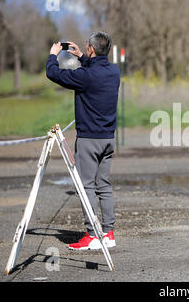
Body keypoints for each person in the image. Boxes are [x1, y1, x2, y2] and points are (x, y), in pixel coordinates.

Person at [46, 32, 120, 250]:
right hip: (108, 139)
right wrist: (82, 57)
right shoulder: (114, 72)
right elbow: (96, 69)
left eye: (87, 47)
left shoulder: (84, 76)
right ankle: (108, 232)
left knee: (85, 186)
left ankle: (92, 235)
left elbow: (53, 73)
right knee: (103, 186)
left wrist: (53, 55)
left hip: (89, 139)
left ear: (92, 49)